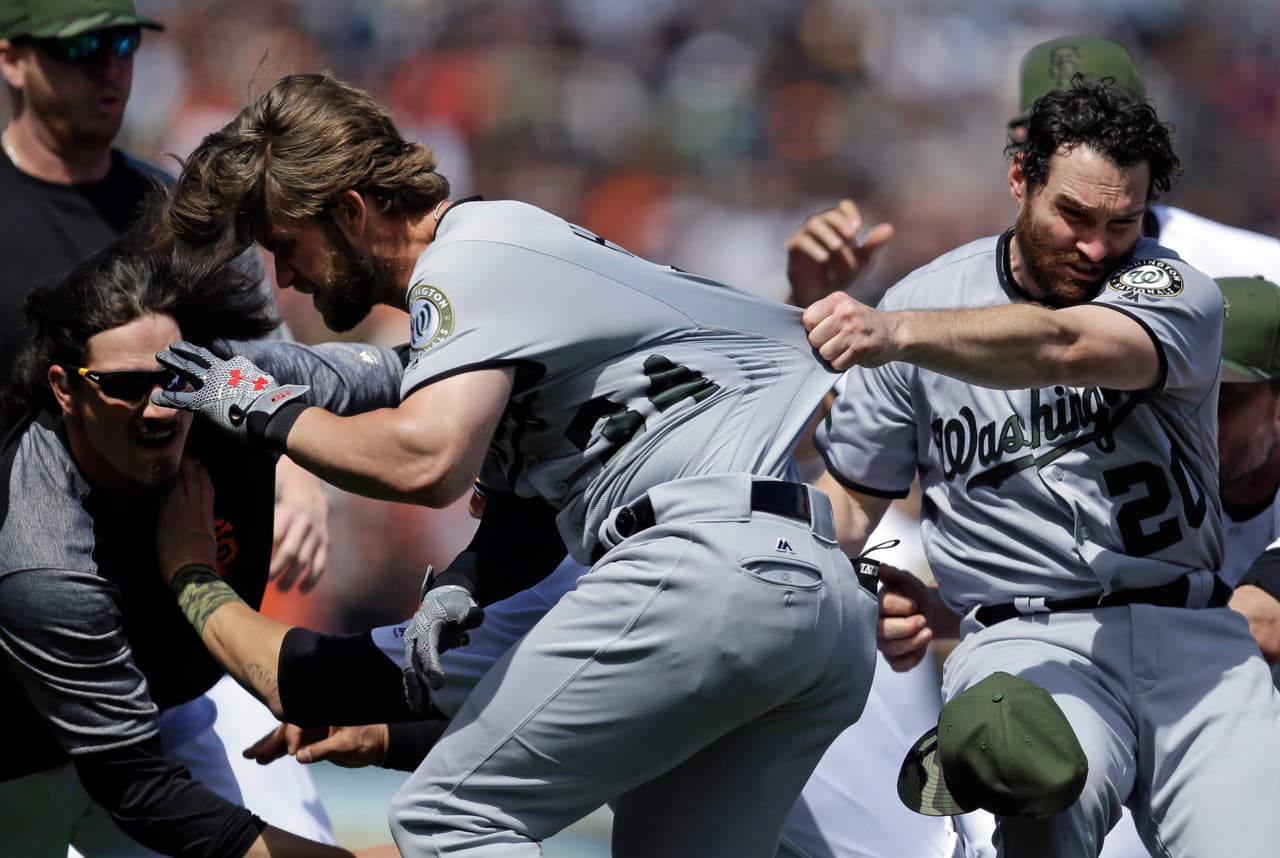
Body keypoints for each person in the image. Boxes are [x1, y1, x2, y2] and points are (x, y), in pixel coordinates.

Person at [158, 70, 879, 858]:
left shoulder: (466, 257)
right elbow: (529, 513)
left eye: (286, 247)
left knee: (446, 819)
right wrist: (471, 578)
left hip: (708, 567)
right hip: (811, 596)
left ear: (352, 212)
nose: (285, 276)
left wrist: (266, 413)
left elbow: (428, 461)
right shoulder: (507, 292)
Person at [800, 76, 1280, 857]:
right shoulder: (925, 303)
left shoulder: (1172, 289)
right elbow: (851, 500)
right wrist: (834, 597)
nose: (1096, 247)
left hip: (1192, 633)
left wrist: (894, 332)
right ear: (1020, 178)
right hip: (1023, 642)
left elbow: (1067, 347)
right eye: (1075, 216)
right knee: (1037, 791)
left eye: (1122, 221)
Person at [0, 0, 336, 843]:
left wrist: (296, 473)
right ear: (13, 59)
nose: (110, 68)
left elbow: (264, 357)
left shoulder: (172, 208)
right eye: (80, 50)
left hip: (156, 658)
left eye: (122, 44)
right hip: (20, 655)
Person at [0, 228, 409, 856]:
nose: (162, 406)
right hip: (27, 770)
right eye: (127, 386)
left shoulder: (220, 381)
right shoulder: (40, 557)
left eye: (172, 374)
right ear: (65, 390)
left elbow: (416, 376)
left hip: (174, 711)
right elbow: (134, 785)